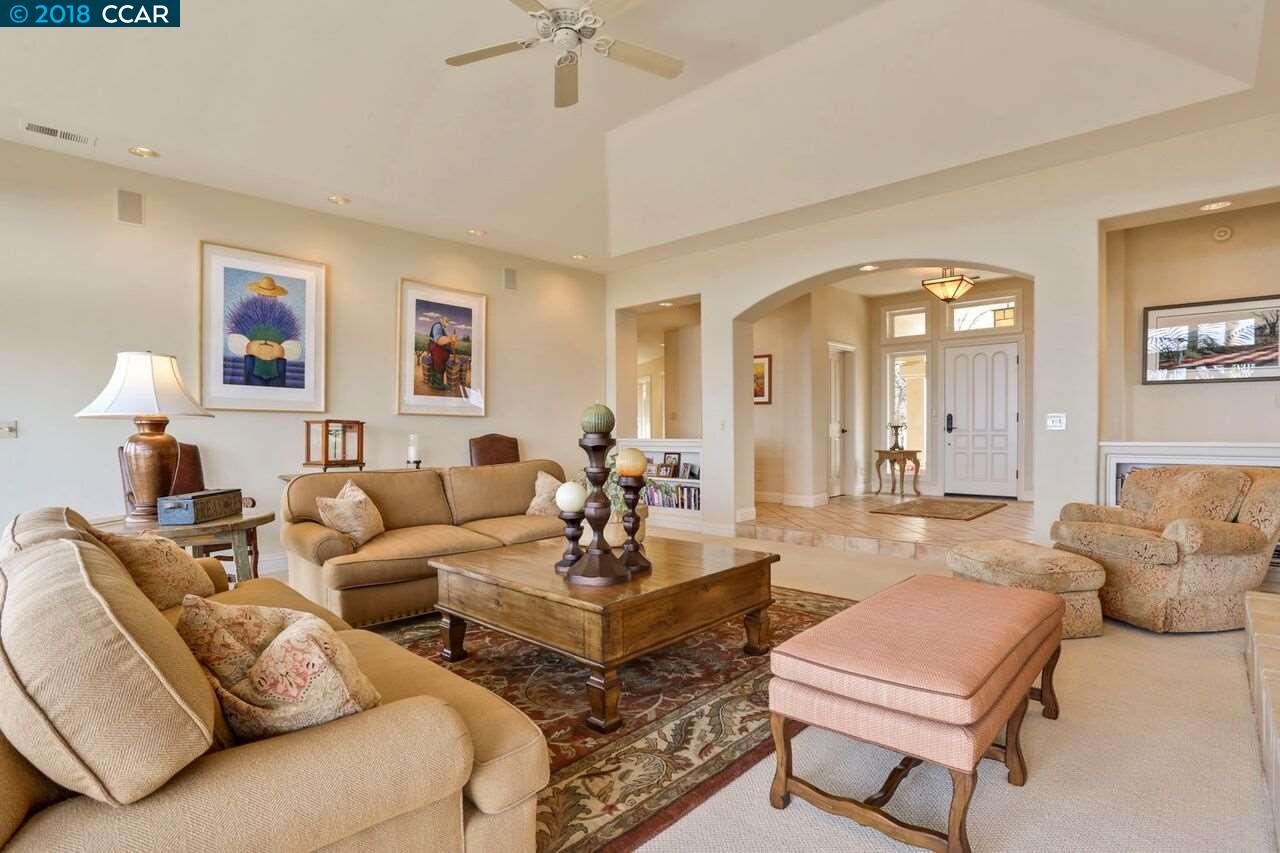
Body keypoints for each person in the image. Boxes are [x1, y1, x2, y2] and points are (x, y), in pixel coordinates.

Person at [427, 316, 456, 390]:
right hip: (436, 348)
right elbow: (439, 340)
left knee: (438, 364)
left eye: (448, 322)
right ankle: (438, 384)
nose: (447, 323)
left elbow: (446, 340)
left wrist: (450, 341)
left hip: (438, 350)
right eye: (446, 321)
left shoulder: (442, 328)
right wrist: (450, 338)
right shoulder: (437, 326)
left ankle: (435, 383)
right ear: (441, 320)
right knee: (438, 364)